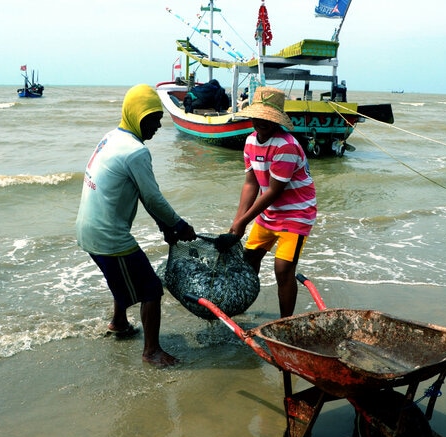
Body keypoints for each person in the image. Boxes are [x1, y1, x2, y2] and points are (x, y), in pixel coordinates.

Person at [75, 84, 197, 367]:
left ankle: (119, 323)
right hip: (108, 237)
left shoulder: (112, 137)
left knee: (127, 274)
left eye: (159, 117)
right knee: (151, 289)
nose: (158, 124)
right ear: (135, 115)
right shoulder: (136, 152)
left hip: (87, 229)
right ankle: (151, 351)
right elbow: (153, 197)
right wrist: (179, 225)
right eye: (152, 119)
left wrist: (164, 226)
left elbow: (142, 194)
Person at [216, 87, 317, 318]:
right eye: (257, 117)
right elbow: (251, 184)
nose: (261, 122)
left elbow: (273, 191)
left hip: (296, 214)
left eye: (267, 118)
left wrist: (243, 222)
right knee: (248, 261)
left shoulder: (286, 145)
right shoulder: (251, 141)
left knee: (283, 270)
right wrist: (236, 222)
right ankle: (240, 309)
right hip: (268, 214)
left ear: (276, 120)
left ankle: (285, 322)